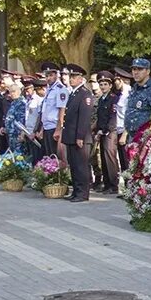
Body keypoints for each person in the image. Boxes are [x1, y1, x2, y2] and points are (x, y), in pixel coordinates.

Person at [62, 64, 95, 203]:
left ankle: (83, 193)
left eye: (74, 77)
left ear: (81, 78)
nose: (71, 79)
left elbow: (84, 117)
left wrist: (80, 136)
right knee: (74, 165)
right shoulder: (74, 93)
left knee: (81, 166)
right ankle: (76, 190)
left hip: (79, 136)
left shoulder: (85, 94)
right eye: (70, 76)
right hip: (71, 135)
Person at [122, 57, 151, 141]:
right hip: (131, 136)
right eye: (134, 69)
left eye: (140, 69)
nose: (136, 72)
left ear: (148, 71)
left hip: (146, 139)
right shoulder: (134, 88)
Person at [93, 71, 121, 194]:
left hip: (110, 132)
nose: (103, 87)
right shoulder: (101, 100)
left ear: (110, 86)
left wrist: (105, 130)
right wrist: (98, 130)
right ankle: (107, 183)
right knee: (103, 158)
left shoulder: (113, 99)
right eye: (101, 84)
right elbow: (100, 118)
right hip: (102, 131)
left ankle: (114, 185)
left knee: (110, 157)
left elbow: (112, 117)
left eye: (105, 84)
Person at [39, 62, 68, 158]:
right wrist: (42, 129)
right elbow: (45, 112)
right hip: (47, 127)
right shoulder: (49, 89)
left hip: (54, 127)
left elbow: (62, 110)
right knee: (49, 157)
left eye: (51, 75)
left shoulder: (60, 89)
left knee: (56, 157)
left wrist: (58, 129)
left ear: (56, 75)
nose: (48, 78)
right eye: (46, 76)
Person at [1, 82, 28, 156]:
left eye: (14, 91)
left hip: (18, 134)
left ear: (19, 91)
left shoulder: (22, 103)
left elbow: (22, 119)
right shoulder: (13, 103)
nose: (11, 94)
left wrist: (22, 133)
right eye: (10, 92)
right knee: (13, 155)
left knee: (20, 155)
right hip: (11, 134)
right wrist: (5, 127)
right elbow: (10, 117)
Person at [113, 67, 132, 172]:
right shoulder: (120, 94)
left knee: (127, 161)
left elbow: (129, 115)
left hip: (125, 132)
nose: (115, 83)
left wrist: (125, 134)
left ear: (121, 80)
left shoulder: (128, 94)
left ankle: (129, 186)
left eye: (116, 80)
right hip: (118, 130)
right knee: (123, 162)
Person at [24, 78, 46, 164]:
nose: (36, 92)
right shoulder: (33, 100)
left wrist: (38, 130)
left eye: (37, 90)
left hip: (39, 133)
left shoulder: (39, 100)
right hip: (31, 132)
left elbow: (40, 118)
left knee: (39, 157)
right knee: (33, 157)